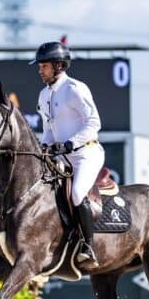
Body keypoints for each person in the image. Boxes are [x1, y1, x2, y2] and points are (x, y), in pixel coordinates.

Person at [32, 41, 105, 266]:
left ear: (59, 65)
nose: (39, 70)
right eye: (40, 66)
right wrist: (43, 147)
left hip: (86, 153)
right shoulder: (44, 95)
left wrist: (71, 143)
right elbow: (48, 131)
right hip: (61, 156)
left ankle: (88, 246)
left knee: (76, 194)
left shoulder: (75, 88)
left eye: (43, 66)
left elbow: (94, 123)